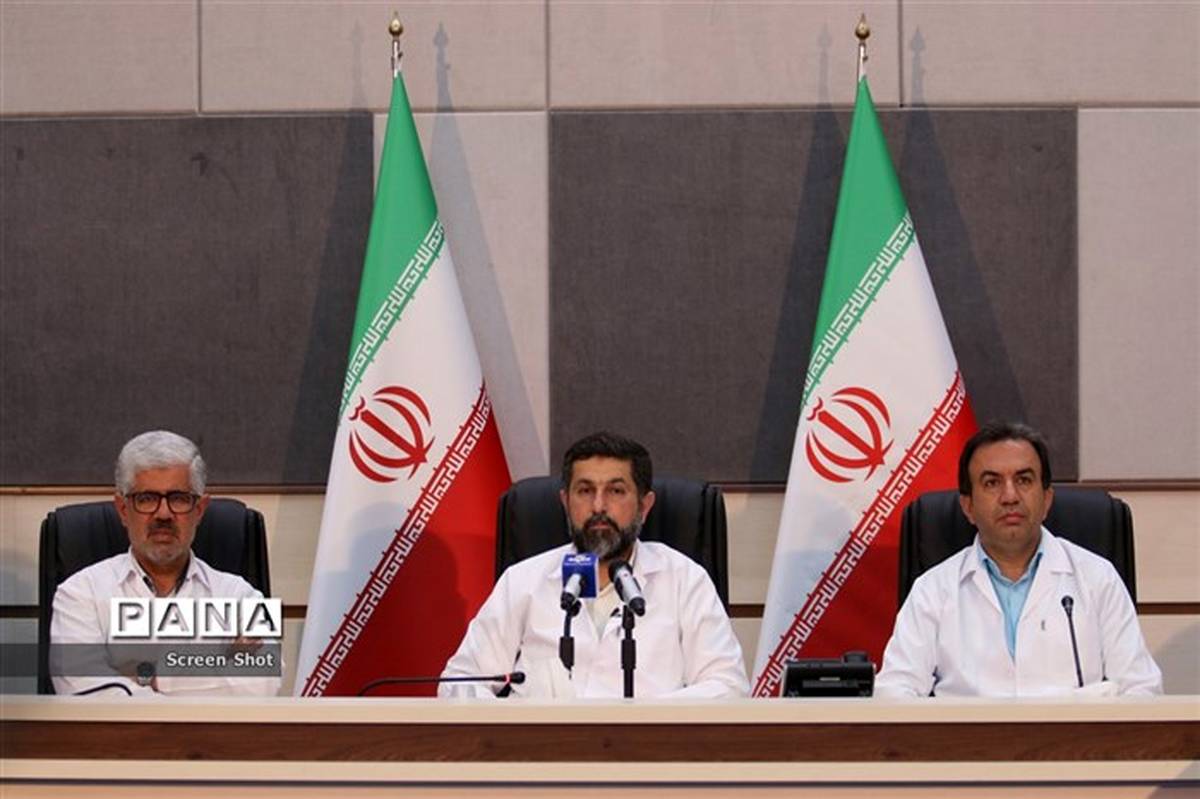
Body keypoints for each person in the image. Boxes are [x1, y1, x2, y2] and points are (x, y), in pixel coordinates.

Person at [440, 431, 749, 698]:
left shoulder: (684, 580)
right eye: (585, 491)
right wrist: (517, 726)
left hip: (648, 747)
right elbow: (460, 681)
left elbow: (728, 686)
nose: (598, 506)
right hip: (541, 747)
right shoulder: (523, 580)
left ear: (644, 506)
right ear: (566, 502)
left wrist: (642, 720)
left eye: (616, 491)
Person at [876, 421, 1162, 697]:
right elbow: (894, 691)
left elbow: (1141, 689)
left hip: (1074, 733)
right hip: (968, 733)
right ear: (968, 506)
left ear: (1046, 499)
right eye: (992, 483)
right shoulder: (932, 590)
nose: (1010, 496)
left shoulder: (1098, 578)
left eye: (1024, 480)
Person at [50, 430, 281, 696]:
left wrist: (150, 676)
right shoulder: (79, 593)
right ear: (123, 510)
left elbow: (266, 682)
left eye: (178, 498)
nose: (163, 514)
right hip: (143, 731)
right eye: (146, 499)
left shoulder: (241, 594)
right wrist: (219, 665)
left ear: (199, 510)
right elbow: (84, 694)